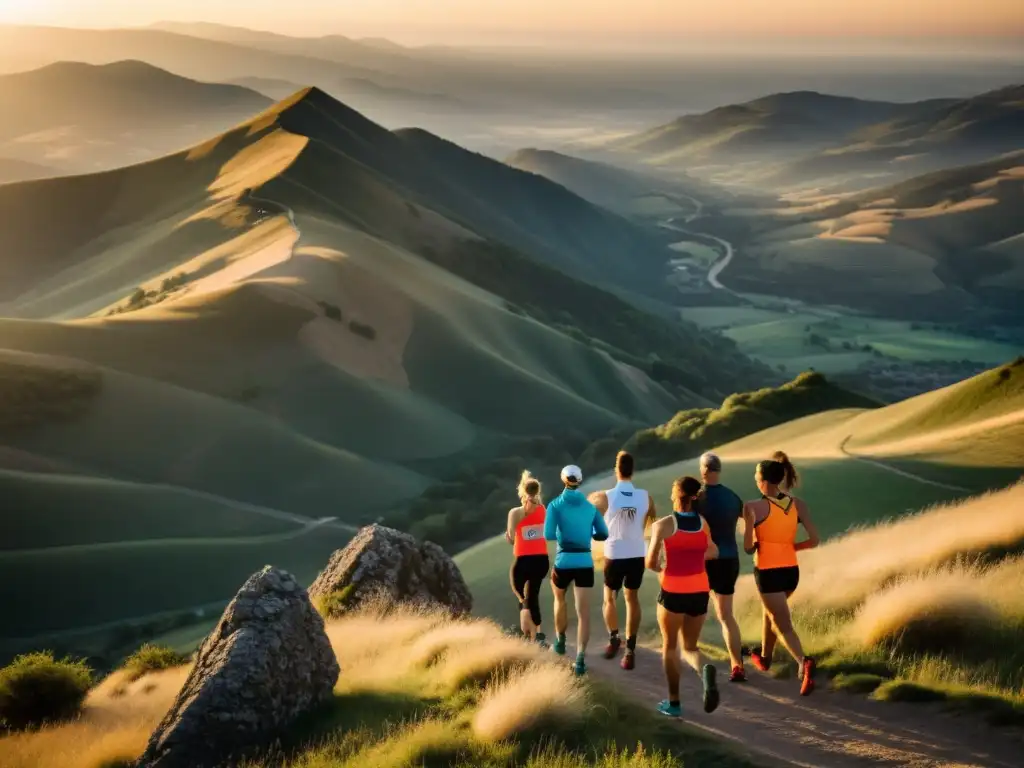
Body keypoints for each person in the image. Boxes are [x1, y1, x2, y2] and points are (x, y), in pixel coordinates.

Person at [742, 452, 820, 696]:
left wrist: (757, 541)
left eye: (756, 476)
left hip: (768, 571)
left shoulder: (753, 507)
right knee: (771, 612)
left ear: (764, 480)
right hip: (791, 572)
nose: (755, 480)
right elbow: (814, 540)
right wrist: (789, 547)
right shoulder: (798, 505)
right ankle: (765, 658)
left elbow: (747, 547)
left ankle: (803, 662)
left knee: (782, 624)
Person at [646, 476, 721, 718]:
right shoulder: (702, 523)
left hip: (673, 591)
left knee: (669, 647)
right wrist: (695, 556)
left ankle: (674, 703)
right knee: (690, 647)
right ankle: (704, 669)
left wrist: (663, 567)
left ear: (676, 495)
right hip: (700, 590)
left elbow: (650, 562)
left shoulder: (663, 525)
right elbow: (714, 551)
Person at [588, 451, 655, 670]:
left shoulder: (604, 497)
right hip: (636, 553)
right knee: (632, 599)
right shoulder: (646, 497)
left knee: (609, 599)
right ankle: (630, 649)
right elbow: (649, 520)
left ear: (616, 470)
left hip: (614, 555)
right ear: (632, 471)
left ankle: (614, 639)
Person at [545, 464, 609, 676]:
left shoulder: (555, 505)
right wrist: (587, 532)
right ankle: (580, 660)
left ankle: (561, 642)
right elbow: (602, 533)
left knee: (559, 600)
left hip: (563, 561)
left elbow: (549, 534)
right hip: (584, 562)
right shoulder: (590, 508)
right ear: (579, 481)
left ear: (563, 480)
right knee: (584, 613)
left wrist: (566, 532)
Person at [695, 452, 746, 682]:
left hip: (704, 561)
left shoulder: (697, 498)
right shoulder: (733, 497)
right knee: (726, 616)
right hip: (730, 560)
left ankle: (693, 658)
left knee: (695, 611)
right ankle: (737, 666)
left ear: (704, 470)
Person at [505, 470, 549, 646]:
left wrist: (508, 537)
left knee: (523, 596)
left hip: (523, 560)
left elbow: (511, 538)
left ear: (522, 492)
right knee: (533, 595)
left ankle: (532, 636)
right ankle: (536, 635)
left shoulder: (515, 513)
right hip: (541, 560)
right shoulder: (544, 510)